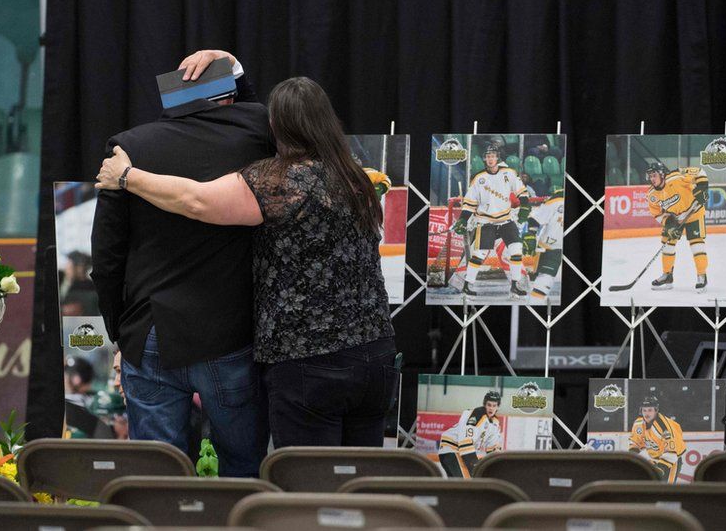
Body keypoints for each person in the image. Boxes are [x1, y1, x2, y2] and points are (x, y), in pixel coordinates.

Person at [96, 71, 398, 448]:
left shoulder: (279, 182)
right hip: (375, 354)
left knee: (308, 487)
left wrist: (126, 176)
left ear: (274, 126)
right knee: (359, 480)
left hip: (310, 361)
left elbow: (196, 201)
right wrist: (233, 69)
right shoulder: (357, 178)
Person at [90, 50, 274, 477]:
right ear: (229, 97)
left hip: (151, 330)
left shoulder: (130, 148)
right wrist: (232, 66)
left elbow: (107, 255)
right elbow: (253, 109)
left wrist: (122, 331)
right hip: (231, 333)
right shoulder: (256, 133)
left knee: (157, 478)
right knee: (243, 468)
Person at [452, 143, 531, 298]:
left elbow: (523, 193)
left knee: (516, 251)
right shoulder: (479, 178)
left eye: (493, 156)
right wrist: (462, 220)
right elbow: (469, 204)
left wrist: (524, 208)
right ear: (484, 159)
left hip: (506, 221)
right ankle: (467, 285)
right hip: (486, 222)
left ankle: (515, 286)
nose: (490, 159)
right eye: (488, 157)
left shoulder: (508, 173)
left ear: (497, 158)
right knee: (479, 255)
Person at [645, 160, 710, 292]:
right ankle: (667, 276)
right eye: (650, 176)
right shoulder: (651, 195)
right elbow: (657, 214)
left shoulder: (676, 177)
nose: (652, 179)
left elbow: (700, 172)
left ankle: (702, 275)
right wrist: (668, 224)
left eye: (654, 175)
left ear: (662, 174)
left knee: (697, 245)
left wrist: (702, 188)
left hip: (695, 212)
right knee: (667, 245)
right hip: (675, 218)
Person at [438, 391, 502, 478]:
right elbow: (465, 441)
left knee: (460, 485)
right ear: (484, 405)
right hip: (451, 449)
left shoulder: (495, 424)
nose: (491, 408)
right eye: (489, 405)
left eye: (494, 406)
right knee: (464, 484)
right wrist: (474, 465)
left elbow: (492, 449)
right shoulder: (477, 414)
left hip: (460, 452)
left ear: (498, 406)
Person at [628, 396, 687, 483]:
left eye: (650, 410)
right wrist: (632, 458)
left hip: (672, 461)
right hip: (655, 458)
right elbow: (635, 442)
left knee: (667, 490)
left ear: (656, 410)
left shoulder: (664, 427)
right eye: (644, 410)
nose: (646, 414)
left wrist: (661, 468)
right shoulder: (639, 424)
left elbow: (671, 453)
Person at [523, 188, 564, 300]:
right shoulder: (559, 198)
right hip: (552, 248)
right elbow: (535, 218)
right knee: (543, 282)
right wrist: (531, 234)